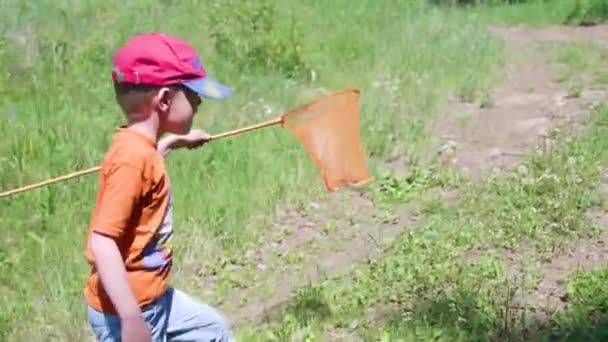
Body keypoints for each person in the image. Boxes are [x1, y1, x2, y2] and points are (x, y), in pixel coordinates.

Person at [83, 32, 234, 342]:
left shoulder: (141, 148)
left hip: (155, 298)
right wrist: (131, 320)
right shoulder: (133, 159)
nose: (199, 102)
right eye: (193, 95)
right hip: (131, 310)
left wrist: (172, 142)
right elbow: (102, 243)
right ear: (165, 100)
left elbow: (144, 175)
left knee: (213, 330)